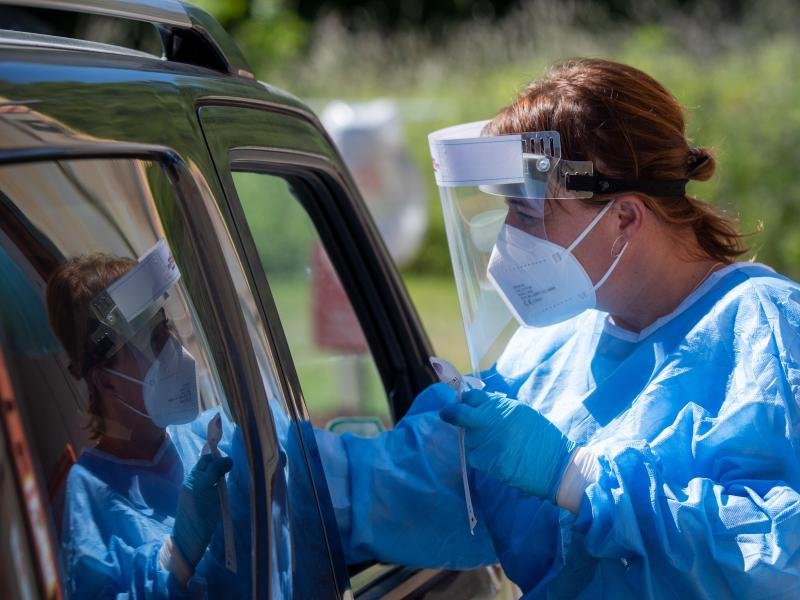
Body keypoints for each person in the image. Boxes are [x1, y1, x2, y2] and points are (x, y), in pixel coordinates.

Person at [316, 58, 800, 597]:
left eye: (527, 212)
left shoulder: (768, 332)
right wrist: (249, 472)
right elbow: (413, 484)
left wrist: (579, 477)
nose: (507, 239)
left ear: (624, 218)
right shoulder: (551, 349)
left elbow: (779, 558)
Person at [47, 242, 250, 599]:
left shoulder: (208, 435)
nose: (174, 349)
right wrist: (179, 558)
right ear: (107, 380)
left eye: (167, 330)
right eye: (153, 341)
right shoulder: (91, 494)